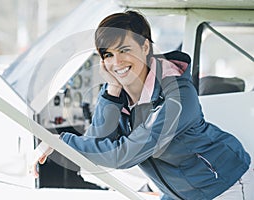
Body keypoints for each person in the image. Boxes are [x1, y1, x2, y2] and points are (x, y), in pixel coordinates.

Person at [31, 11, 253, 199]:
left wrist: (60, 142)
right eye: (108, 54)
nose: (116, 62)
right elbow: (95, 145)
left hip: (226, 184)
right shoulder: (116, 94)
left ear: (145, 47)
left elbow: (125, 154)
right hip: (181, 192)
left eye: (124, 50)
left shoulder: (177, 96)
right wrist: (112, 91)